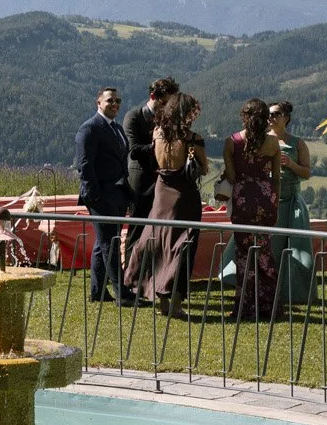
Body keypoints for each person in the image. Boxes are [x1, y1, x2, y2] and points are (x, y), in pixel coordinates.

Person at [124, 91, 207, 310]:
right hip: (184, 194)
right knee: (182, 244)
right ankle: (176, 300)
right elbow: (204, 168)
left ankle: (158, 297)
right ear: (186, 113)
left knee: (157, 240)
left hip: (161, 190)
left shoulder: (157, 133)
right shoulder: (193, 138)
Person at [221, 98, 282, 319]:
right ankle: (270, 306)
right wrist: (275, 204)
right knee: (264, 252)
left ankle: (246, 307)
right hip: (266, 199)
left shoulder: (232, 142)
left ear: (244, 117)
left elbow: (231, 176)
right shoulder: (273, 143)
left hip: (243, 199)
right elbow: (276, 178)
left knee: (243, 254)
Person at [75, 87, 131, 303]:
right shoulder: (89, 128)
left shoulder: (117, 128)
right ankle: (122, 293)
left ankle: (97, 291)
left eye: (118, 100)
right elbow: (84, 165)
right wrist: (94, 196)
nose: (115, 104)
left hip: (118, 193)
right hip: (100, 196)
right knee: (110, 243)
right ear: (98, 103)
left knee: (103, 243)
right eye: (110, 100)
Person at [121, 77, 179, 260]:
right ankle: (130, 269)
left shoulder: (169, 119)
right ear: (153, 96)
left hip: (164, 181)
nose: (167, 107)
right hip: (141, 182)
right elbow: (134, 150)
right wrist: (159, 146)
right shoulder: (134, 116)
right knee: (137, 229)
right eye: (164, 102)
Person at [269, 99, 315, 306]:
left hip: (292, 202)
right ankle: (269, 290)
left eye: (275, 114)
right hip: (270, 200)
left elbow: (306, 173)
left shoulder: (297, 143)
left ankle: (296, 292)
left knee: (297, 248)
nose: (271, 118)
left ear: (286, 118)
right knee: (271, 247)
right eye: (269, 114)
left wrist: (291, 164)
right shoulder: (263, 140)